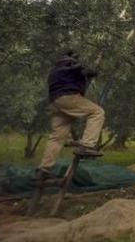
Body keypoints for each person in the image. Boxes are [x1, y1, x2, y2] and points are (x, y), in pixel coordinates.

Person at [35, 51, 105, 179]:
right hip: (67, 97)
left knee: (57, 138)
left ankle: (43, 169)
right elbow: (84, 71)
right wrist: (92, 71)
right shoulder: (70, 64)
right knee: (97, 112)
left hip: (55, 103)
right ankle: (87, 145)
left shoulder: (55, 70)